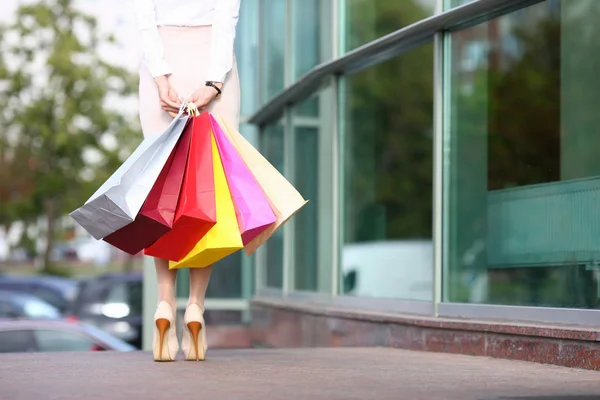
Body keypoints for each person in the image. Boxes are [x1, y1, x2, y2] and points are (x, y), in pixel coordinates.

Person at [133, 0, 241, 362]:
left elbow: (144, 15)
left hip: (161, 59)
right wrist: (214, 83)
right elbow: (227, 16)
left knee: (163, 190)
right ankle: (196, 307)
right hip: (212, 59)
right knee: (207, 192)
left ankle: (165, 303)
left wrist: (160, 76)